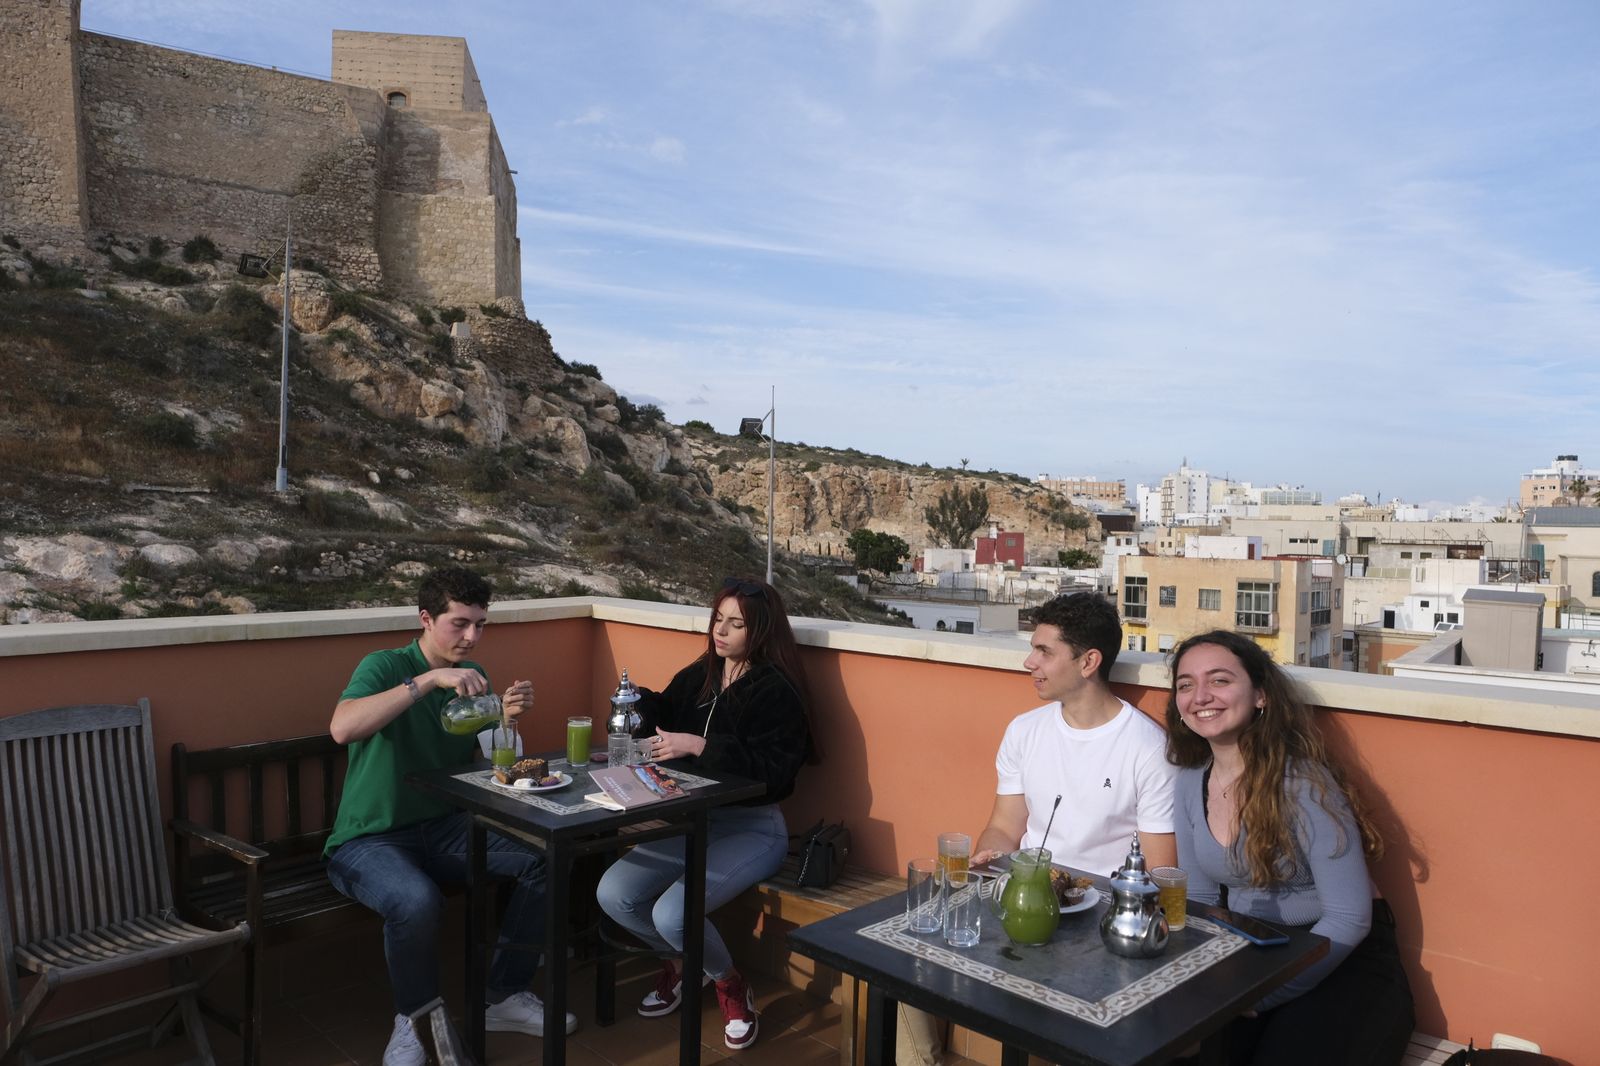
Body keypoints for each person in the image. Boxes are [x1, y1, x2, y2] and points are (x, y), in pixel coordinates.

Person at [325, 566, 576, 1066]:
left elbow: (490, 766)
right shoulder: (385, 665)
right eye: (460, 624)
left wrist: (506, 719)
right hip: (369, 840)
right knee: (416, 901)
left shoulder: (475, 681)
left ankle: (503, 995)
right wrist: (427, 680)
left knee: (547, 855)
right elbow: (342, 728)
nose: (472, 636)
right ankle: (413, 1022)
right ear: (425, 618)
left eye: (480, 624)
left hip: (444, 829)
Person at [1166, 630, 1414, 1066]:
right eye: (1185, 684)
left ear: (1260, 695)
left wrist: (1265, 995)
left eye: (1220, 680)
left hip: (1340, 955)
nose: (1200, 695)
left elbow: (1348, 917)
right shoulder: (1189, 783)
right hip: (1257, 951)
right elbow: (1203, 900)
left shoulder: (1302, 783)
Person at [596, 576, 812, 1051]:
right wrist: (636, 701)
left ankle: (729, 982)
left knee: (675, 913)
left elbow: (774, 772)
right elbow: (667, 710)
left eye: (737, 624)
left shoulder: (776, 691)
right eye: (719, 619)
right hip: (692, 820)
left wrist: (700, 745)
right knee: (614, 893)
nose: (722, 631)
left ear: (760, 631)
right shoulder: (703, 673)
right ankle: (682, 964)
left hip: (753, 828)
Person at [973, 591, 1178, 873]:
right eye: (1033, 649)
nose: (1029, 663)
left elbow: (1160, 870)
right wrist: (991, 857)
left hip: (1105, 905)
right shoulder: (1023, 730)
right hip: (1029, 892)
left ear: (1088, 662)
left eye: (1044, 652)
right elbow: (1004, 828)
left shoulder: (1149, 749)